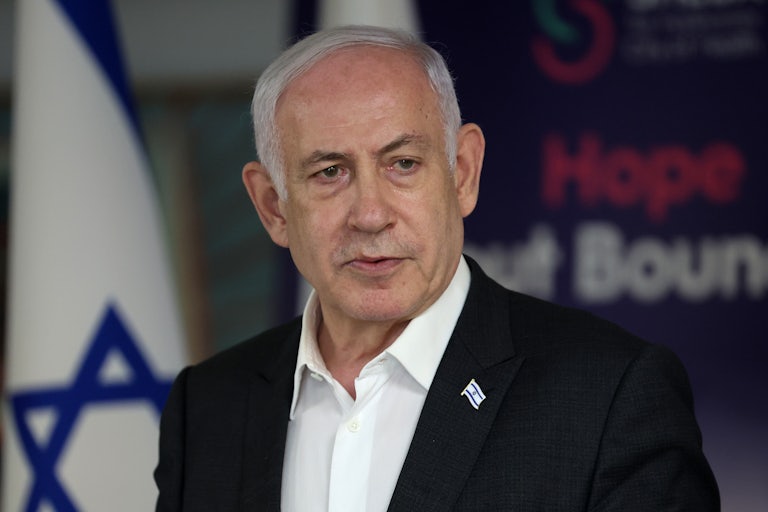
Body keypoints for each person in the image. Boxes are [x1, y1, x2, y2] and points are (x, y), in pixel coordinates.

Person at [154, 25, 719, 511]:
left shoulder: (609, 395)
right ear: (273, 207)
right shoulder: (206, 407)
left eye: (403, 163)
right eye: (329, 172)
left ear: (463, 173)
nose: (370, 214)